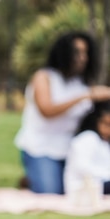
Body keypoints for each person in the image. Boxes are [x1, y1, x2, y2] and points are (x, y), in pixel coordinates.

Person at [14, 30, 110, 194]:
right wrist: (85, 95)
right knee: (51, 192)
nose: (83, 58)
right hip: (41, 148)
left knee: (82, 188)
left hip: (71, 148)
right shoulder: (43, 77)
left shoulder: (82, 82)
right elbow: (47, 110)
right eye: (77, 52)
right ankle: (31, 180)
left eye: (86, 53)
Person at [64, 100, 110, 196]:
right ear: (97, 121)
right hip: (83, 188)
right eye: (106, 124)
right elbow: (83, 167)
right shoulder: (87, 138)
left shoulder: (105, 142)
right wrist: (107, 174)